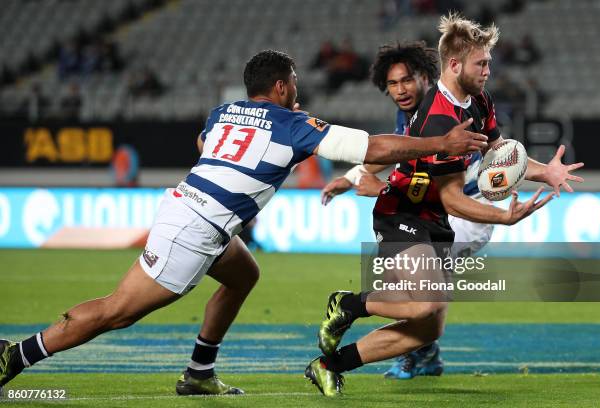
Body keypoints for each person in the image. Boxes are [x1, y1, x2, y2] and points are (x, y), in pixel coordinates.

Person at [0, 49, 488, 396]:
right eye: (293, 81)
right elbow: (374, 148)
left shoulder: (222, 112)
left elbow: (203, 143)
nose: (297, 89)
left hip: (204, 219)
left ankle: (199, 373)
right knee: (118, 311)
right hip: (194, 228)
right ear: (281, 86)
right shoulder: (293, 123)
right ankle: (16, 355)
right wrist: (439, 146)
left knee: (244, 274)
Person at [306, 13, 584, 397]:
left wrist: (544, 172)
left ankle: (329, 365)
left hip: (433, 219)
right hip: (403, 214)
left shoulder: (478, 100)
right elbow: (453, 198)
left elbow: (498, 153)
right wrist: (503, 218)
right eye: (482, 63)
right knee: (423, 303)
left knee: (428, 327)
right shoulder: (439, 118)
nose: (489, 69)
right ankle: (349, 303)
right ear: (455, 65)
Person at [322, 41, 447, 380]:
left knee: (422, 314)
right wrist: (354, 179)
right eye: (392, 84)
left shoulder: (439, 113)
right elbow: (395, 154)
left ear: (424, 76)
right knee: (422, 307)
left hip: (443, 215)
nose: (400, 90)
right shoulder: (410, 116)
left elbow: (424, 167)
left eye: (406, 80)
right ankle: (352, 310)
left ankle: (336, 351)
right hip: (413, 215)